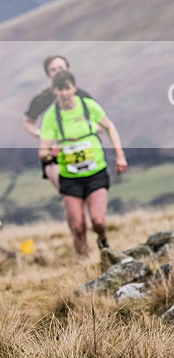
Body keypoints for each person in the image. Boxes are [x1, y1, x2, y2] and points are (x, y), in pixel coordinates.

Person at [38, 70, 128, 258]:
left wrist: (120, 155)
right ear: (54, 91)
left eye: (68, 88)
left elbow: (110, 126)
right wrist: (50, 154)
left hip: (95, 172)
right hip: (70, 178)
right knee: (78, 226)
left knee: (98, 221)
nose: (64, 93)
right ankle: (84, 262)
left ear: (74, 88)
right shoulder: (51, 117)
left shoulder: (88, 107)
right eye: (60, 89)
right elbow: (43, 152)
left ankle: (103, 241)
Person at [23, 55, 95, 191]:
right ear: (48, 74)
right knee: (69, 193)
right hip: (55, 153)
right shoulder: (42, 99)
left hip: (83, 149)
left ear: (68, 69)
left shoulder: (82, 96)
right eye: (53, 69)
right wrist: (42, 135)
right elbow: (28, 122)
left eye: (61, 68)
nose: (58, 72)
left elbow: (98, 119)